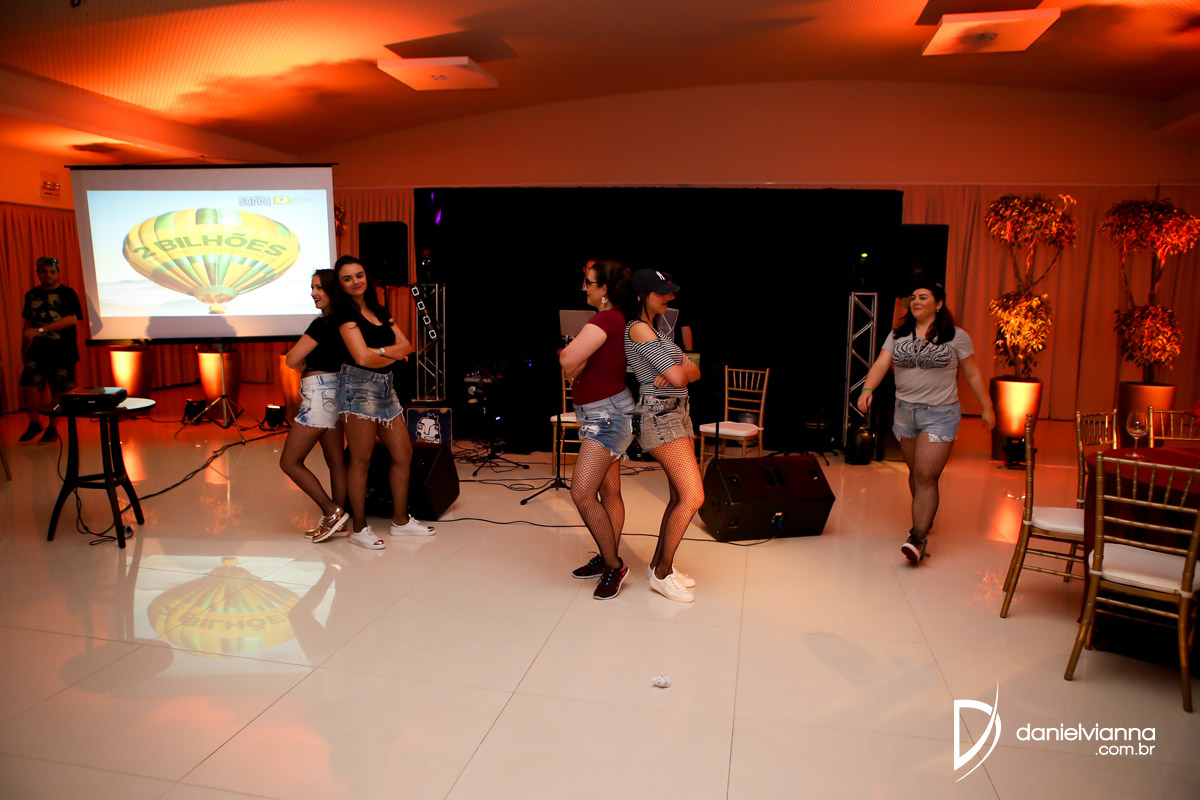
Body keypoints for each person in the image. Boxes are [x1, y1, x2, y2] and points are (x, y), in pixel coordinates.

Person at [857, 284, 996, 563]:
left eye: (924, 297)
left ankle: (917, 537)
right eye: (913, 298)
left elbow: (972, 373)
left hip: (940, 415)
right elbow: (882, 363)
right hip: (905, 414)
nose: (916, 301)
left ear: (939, 304)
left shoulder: (956, 336)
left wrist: (987, 406)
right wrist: (867, 389)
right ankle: (924, 515)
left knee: (926, 475)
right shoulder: (898, 334)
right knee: (916, 472)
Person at [332, 255, 434, 549]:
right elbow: (361, 358)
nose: (355, 282)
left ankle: (400, 521)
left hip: (387, 388)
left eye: (359, 275)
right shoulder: (345, 315)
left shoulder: (379, 311)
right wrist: (389, 352)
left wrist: (378, 351)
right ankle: (358, 528)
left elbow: (407, 346)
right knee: (361, 460)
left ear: (367, 277)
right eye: (347, 278)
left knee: (403, 454)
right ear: (341, 285)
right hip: (358, 389)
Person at [559, 260, 636, 600]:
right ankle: (607, 557)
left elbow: (566, 361)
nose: (584, 288)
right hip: (603, 412)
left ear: (604, 289)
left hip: (607, 417)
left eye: (589, 283)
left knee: (581, 493)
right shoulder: (614, 319)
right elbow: (573, 369)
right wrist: (577, 361)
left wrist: (572, 355)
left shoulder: (605, 319)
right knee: (610, 491)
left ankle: (614, 565)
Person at [625, 269, 702, 603]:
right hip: (660, 415)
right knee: (692, 496)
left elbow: (694, 370)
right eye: (661, 292)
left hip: (678, 411)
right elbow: (681, 374)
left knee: (678, 496)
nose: (670, 297)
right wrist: (679, 373)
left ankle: (661, 567)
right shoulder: (638, 328)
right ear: (641, 295)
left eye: (670, 292)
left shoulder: (658, 330)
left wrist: (680, 373)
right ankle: (662, 574)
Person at [280, 269, 351, 543]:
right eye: (312, 287)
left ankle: (332, 511)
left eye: (319, 287)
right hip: (336, 391)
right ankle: (340, 520)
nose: (313, 293)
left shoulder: (322, 325)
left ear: (332, 290)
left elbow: (291, 359)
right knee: (335, 461)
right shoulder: (345, 322)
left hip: (319, 395)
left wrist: (300, 361)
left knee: (289, 462)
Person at [19, 257, 82, 445]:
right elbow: (28, 323)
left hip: (63, 350)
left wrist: (41, 330)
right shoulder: (31, 295)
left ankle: (53, 428)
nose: (48, 275)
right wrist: (24, 348)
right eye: (44, 271)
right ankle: (35, 423)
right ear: (38, 273)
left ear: (57, 273)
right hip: (37, 350)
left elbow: (72, 319)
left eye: (52, 271)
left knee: (58, 390)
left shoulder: (68, 293)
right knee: (28, 386)